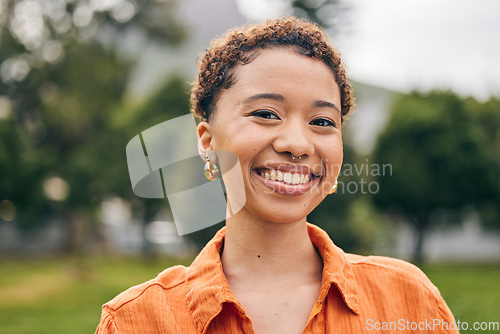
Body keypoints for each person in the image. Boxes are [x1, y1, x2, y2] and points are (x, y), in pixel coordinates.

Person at [96, 17, 458, 334]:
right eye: (266, 114)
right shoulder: (134, 321)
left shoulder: (410, 301)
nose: (298, 144)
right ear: (207, 142)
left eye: (322, 122)